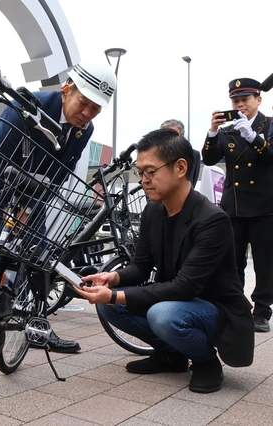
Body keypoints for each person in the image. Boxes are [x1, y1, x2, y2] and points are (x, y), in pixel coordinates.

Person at [75, 128, 254, 394]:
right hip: (177, 301)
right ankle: (171, 355)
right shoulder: (153, 210)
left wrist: (114, 295)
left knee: (162, 314)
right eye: (140, 173)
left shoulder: (212, 220)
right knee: (109, 306)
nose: (144, 180)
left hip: (216, 310)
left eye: (151, 171)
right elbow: (141, 266)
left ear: (180, 167)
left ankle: (206, 362)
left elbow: (185, 287)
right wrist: (113, 278)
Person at [0, 60, 117, 356]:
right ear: (67, 88)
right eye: (84, 103)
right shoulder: (26, 105)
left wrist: (26, 207)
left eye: (96, 109)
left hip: (32, 189)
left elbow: (60, 172)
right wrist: (5, 207)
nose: (87, 114)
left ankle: (37, 324)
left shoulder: (84, 129)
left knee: (40, 253)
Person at [201, 78, 273, 333]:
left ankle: (262, 311)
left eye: (245, 99)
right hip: (234, 207)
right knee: (232, 261)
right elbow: (209, 158)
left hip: (265, 206)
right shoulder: (228, 131)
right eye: (235, 101)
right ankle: (235, 307)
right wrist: (212, 131)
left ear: (258, 100)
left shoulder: (269, 125)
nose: (240, 104)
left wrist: (252, 137)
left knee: (265, 263)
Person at [160, 119, 201, 189]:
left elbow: (192, 182)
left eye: (174, 135)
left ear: (182, 136)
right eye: (166, 135)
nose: (170, 139)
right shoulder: (155, 156)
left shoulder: (194, 155)